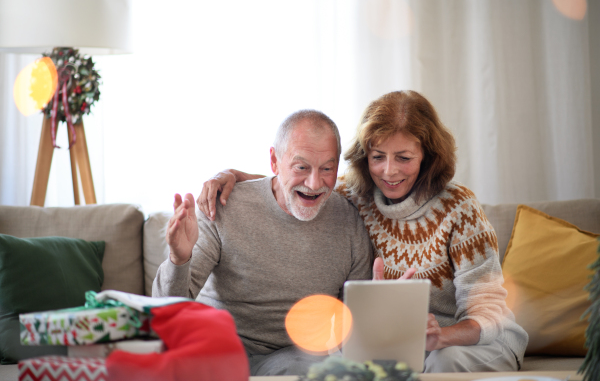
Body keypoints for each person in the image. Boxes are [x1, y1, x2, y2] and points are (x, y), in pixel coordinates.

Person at [198, 90, 529, 373]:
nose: (389, 171)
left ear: (427, 156)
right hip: (401, 341)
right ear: (364, 157)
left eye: (404, 158)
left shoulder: (460, 207)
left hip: (473, 340)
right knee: (341, 360)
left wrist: (441, 336)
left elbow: (488, 311)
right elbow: (299, 179)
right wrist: (230, 174)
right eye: (378, 157)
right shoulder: (356, 195)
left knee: (442, 362)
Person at [153, 110, 377, 377]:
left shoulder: (351, 221)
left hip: (297, 359)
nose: (314, 183)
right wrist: (179, 259)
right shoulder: (224, 206)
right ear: (274, 161)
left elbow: (355, 329)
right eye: (301, 167)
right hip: (220, 348)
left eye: (326, 168)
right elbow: (165, 311)